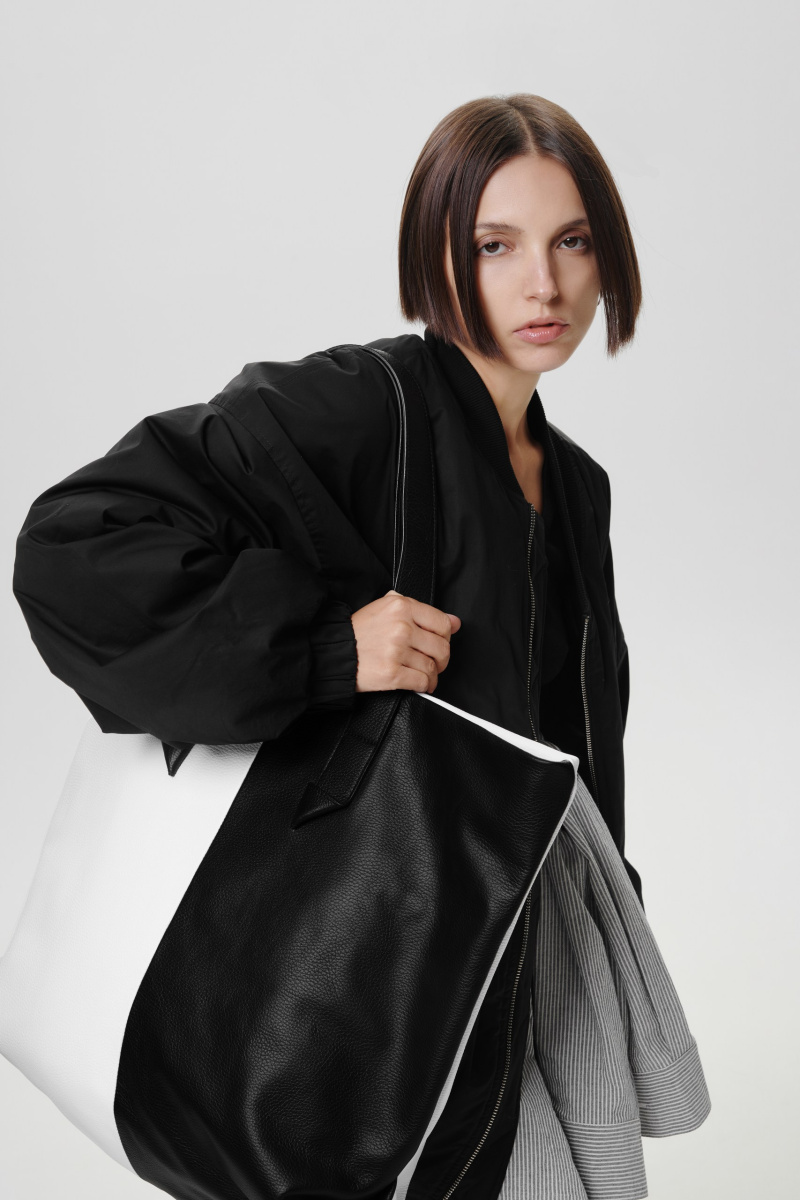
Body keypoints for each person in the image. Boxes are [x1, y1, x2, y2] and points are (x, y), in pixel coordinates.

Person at [12, 94, 710, 1199]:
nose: (543, 284)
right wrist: (325, 652)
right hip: (380, 973)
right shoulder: (358, 408)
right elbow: (74, 544)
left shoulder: (577, 486)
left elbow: (578, 739)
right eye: (495, 245)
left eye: (572, 241)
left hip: (530, 945)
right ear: (437, 254)